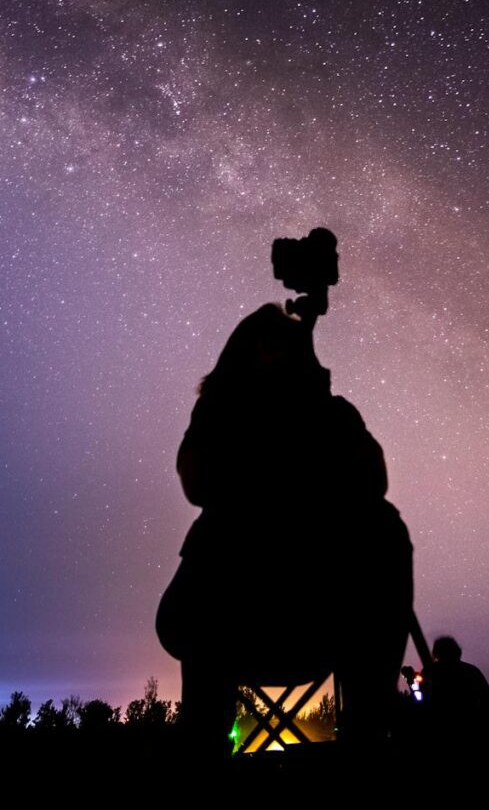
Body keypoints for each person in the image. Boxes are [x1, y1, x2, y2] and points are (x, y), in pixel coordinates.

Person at [156, 301, 413, 754]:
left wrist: (319, 411)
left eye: (284, 351)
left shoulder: (331, 414)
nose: (274, 360)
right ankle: (201, 742)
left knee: (384, 526)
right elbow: (198, 485)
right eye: (264, 350)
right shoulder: (220, 413)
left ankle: (367, 732)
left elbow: (373, 484)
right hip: (225, 615)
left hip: (320, 615)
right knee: (383, 528)